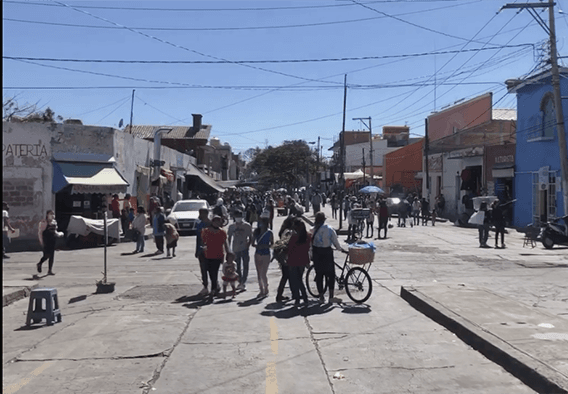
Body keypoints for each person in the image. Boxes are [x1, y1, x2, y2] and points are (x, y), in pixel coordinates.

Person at [311, 211, 347, 303]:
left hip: (317, 254)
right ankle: (331, 297)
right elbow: (335, 242)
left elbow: (310, 244)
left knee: (319, 275)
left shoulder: (312, 230)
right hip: (327, 253)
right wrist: (340, 249)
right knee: (331, 275)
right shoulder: (329, 229)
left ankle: (321, 297)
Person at [201, 215, 232, 300]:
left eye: (219, 222)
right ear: (213, 222)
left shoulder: (222, 232)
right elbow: (203, 242)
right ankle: (215, 287)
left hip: (218, 255)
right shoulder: (206, 231)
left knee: (214, 272)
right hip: (208, 254)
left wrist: (228, 253)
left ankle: (213, 289)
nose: (218, 223)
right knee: (210, 272)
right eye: (216, 221)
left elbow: (225, 243)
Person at [286, 218, 310, 307]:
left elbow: (289, 249)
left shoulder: (294, 237)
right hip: (303, 260)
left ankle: (299, 298)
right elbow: (307, 249)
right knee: (299, 279)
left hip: (293, 260)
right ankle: (304, 297)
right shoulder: (307, 236)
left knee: (295, 280)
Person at [227, 210, 253, 290]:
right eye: (237, 216)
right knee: (236, 266)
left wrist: (248, 245)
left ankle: (243, 282)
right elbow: (229, 238)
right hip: (236, 249)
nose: (238, 218)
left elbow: (251, 237)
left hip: (244, 249)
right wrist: (228, 249)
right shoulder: (232, 227)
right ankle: (239, 281)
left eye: (240, 216)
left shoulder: (247, 226)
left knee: (245, 265)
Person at [252, 213, 274, 297]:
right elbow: (252, 243)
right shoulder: (256, 232)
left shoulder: (269, 233)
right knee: (258, 272)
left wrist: (266, 246)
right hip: (258, 253)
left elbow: (272, 244)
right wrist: (257, 246)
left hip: (266, 254)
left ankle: (266, 287)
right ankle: (261, 289)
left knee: (263, 273)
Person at [37, 210, 63, 275]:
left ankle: (50, 270)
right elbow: (40, 232)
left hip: (53, 240)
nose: (52, 215)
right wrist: (41, 241)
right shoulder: (44, 222)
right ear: (47, 215)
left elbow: (55, 231)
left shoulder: (54, 222)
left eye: (53, 214)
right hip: (46, 240)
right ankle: (39, 263)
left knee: (52, 255)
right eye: (50, 214)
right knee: (46, 255)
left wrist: (59, 234)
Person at [195, 208, 212, 295]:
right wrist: (197, 250)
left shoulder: (211, 224)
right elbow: (198, 238)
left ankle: (214, 286)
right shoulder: (199, 224)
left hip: (211, 250)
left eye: (201, 213)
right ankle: (205, 286)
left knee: (212, 269)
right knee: (203, 269)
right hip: (201, 250)